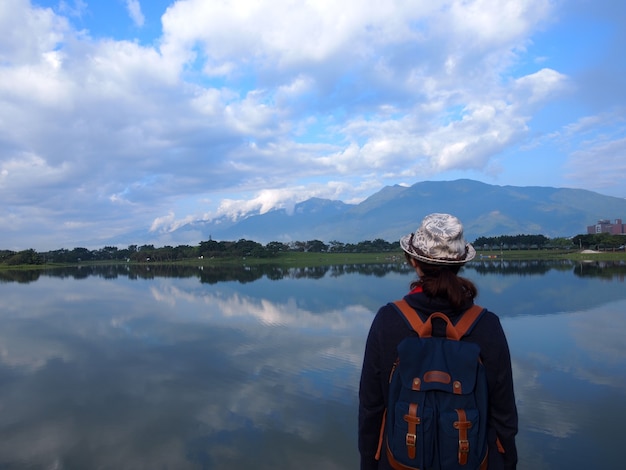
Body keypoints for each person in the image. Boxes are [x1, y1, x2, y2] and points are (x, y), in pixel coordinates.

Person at [358, 213, 518, 470]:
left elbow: (371, 409)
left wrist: (369, 463)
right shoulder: (487, 324)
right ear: (460, 264)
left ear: (412, 261)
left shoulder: (388, 320)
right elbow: (504, 417)